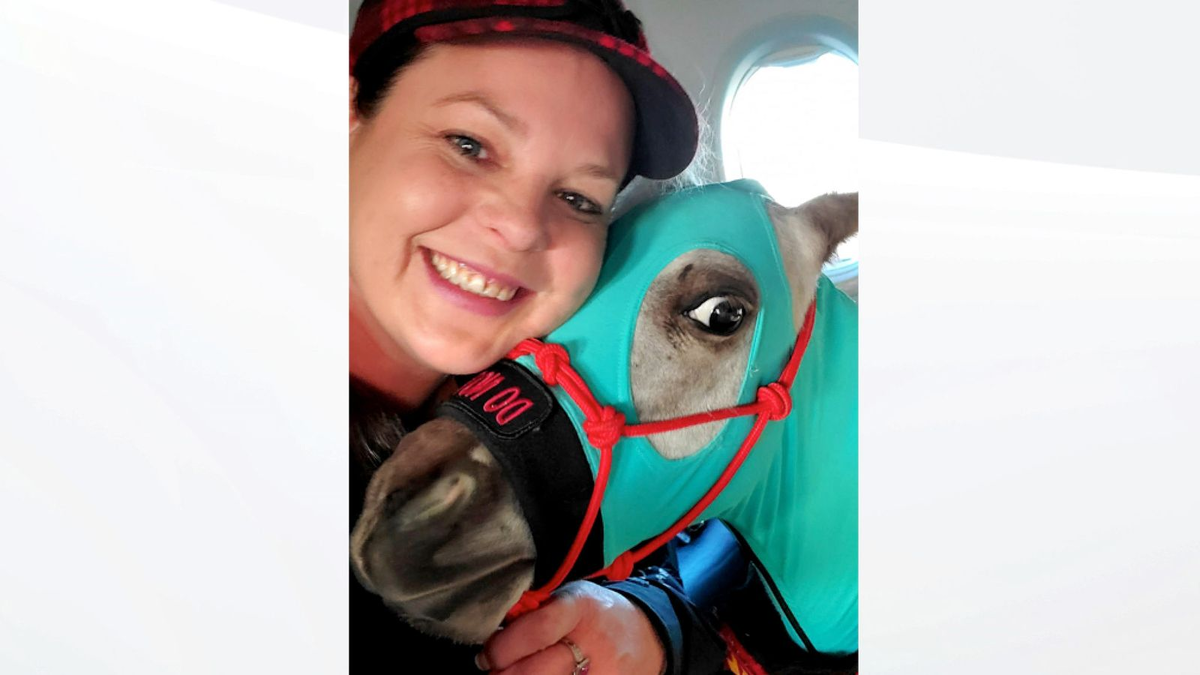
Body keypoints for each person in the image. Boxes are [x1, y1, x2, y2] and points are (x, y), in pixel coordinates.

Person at [348, 1, 735, 674]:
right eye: (469, 145)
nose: (524, 226)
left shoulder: (554, 400)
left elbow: (688, 550)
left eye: (579, 198)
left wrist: (648, 621)